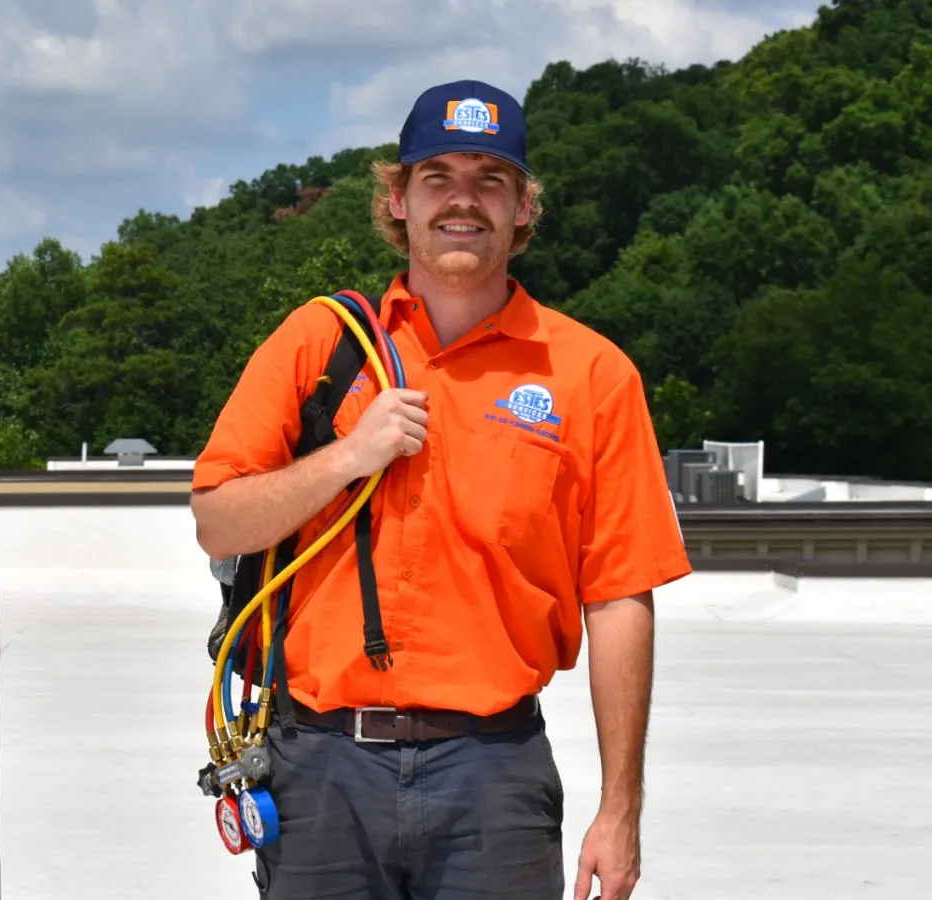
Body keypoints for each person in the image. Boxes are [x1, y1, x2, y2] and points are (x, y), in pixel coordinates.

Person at [189, 79, 692, 900]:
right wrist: (347, 457)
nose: (465, 201)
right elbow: (217, 520)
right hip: (320, 769)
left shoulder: (591, 375)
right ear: (399, 198)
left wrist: (621, 807)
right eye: (438, 177)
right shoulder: (322, 343)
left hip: (493, 774)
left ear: (525, 206)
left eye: (491, 179)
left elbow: (620, 596)